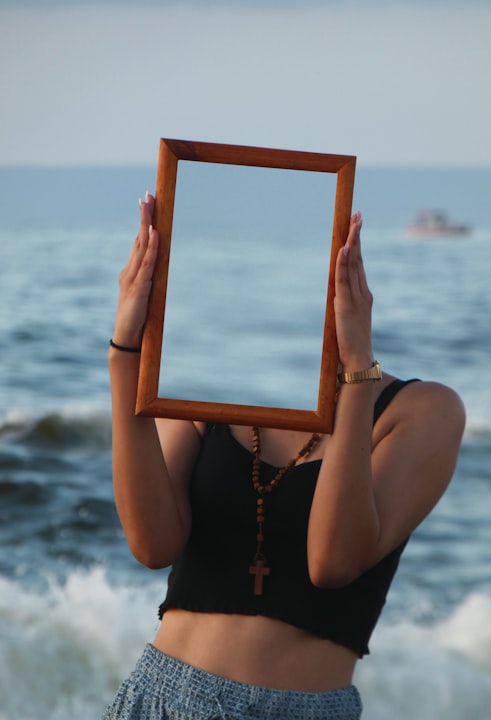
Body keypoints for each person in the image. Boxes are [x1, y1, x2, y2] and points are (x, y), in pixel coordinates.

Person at [103, 192, 465, 720]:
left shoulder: (421, 410)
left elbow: (332, 561)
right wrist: (127, 352)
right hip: (166, 698)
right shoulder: (213, 383)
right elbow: (151, 542)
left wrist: (357, 373)